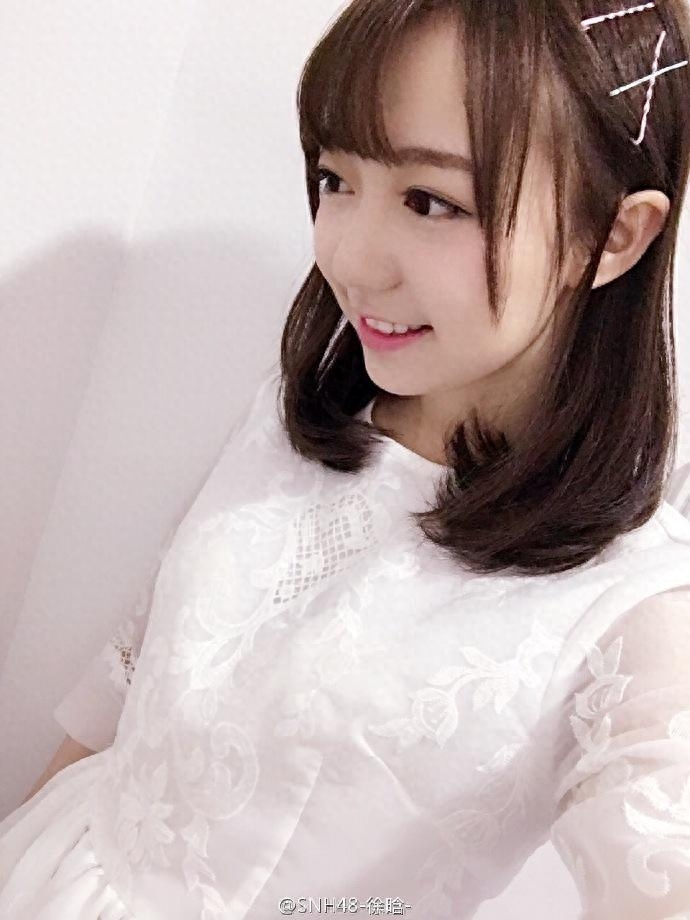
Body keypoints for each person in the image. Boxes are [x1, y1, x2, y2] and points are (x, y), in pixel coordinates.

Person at [2, 1, 690, 917]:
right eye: (335, 177)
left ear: (613, 235)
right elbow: (132, 684)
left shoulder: (633, 610)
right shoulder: (301, 412)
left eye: (432, 201)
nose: (350, 260)